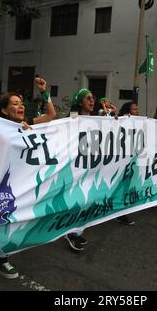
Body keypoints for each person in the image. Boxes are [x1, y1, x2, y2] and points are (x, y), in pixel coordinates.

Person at [0, 77, 55, 278]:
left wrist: (45, 93)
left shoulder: (27, 124)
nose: (20, 106)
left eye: (21, 103)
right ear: (4, 110)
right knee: (1, 216)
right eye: (15, 104)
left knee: (13, 218)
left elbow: (51, 115)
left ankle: (1, 255)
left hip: (21, 181)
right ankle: (0, 259)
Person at [64, 88, 96, 252]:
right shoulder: (74, 118)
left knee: (88, 199)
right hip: (76, 166)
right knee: (78, 199)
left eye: (93, 98)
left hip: (92, 166)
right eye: (88, 98)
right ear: (80, 102)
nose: (92, 101)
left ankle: (76, 229)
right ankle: (72, 232)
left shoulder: (99, 120)